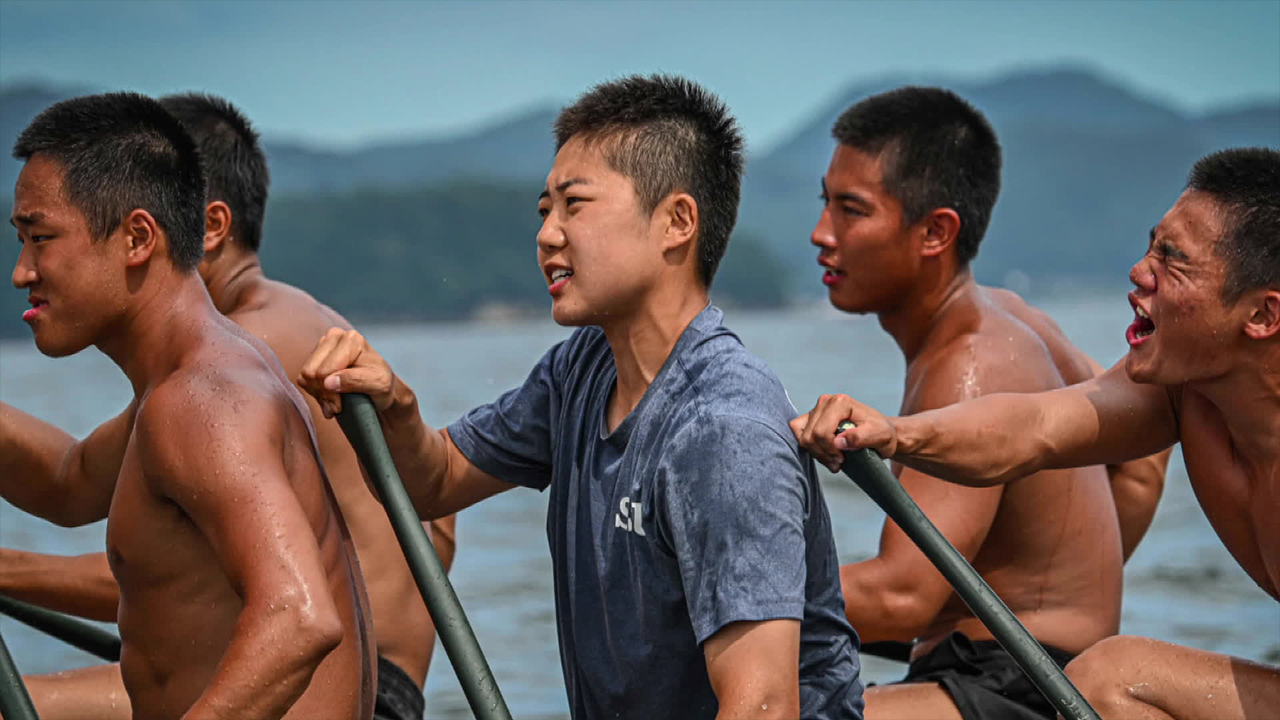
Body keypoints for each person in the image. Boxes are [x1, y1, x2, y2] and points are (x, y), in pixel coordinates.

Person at [296, 74, 865, 719]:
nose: (547, 235)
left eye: (575, 205)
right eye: (545, 211)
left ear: (676, 222)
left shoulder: (724, 429)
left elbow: (761, 705)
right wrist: (394, 401)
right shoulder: (582, 369)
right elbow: (438, 478)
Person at [0, 93, 456, 720]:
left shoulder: (206, 394)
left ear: (140, 235)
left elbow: (297, 617)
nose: (21, 272)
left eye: (41, 239)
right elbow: (70, 482)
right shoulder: (199, 374)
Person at [798, 146, 1280, 720]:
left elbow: (904, 596)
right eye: (1151, 244)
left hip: (1000, 679)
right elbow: (1033, 428)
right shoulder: (1184, 389)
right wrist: (897, 433)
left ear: (1262, 316)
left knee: (1112, 677)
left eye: (1172, 260)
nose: (1138, 270)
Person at [791, 86, 1167, 720]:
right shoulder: (1013, 317)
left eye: (851, 210)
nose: (820, 232)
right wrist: (1068, 590)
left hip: (1013, 688)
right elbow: (1142, 459)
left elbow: (901, 596)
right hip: (1034, 670)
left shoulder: (974, 360)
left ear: (935, 232)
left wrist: (698, 581)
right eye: (824, 202)